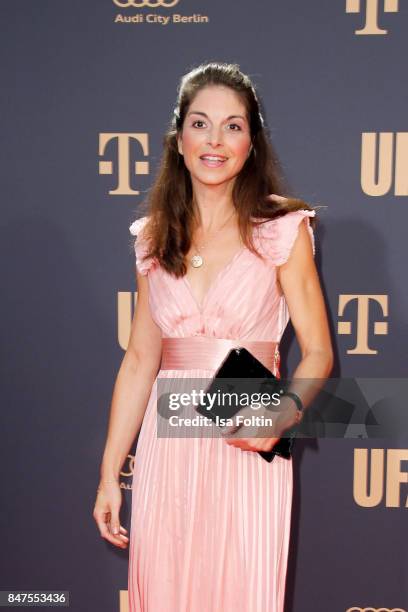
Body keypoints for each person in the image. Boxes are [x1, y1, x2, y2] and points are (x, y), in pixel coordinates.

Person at [93, 61, 333, 612]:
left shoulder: (282, 231)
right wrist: (110, 474)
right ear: (178, 139)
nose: (216, 140)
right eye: (201, 124)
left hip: (247, 435)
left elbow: (318, 350)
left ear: (252, 142)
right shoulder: (153, 238)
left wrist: (285, 411)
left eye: (233, 126)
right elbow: (138, 360)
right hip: (167, 446)